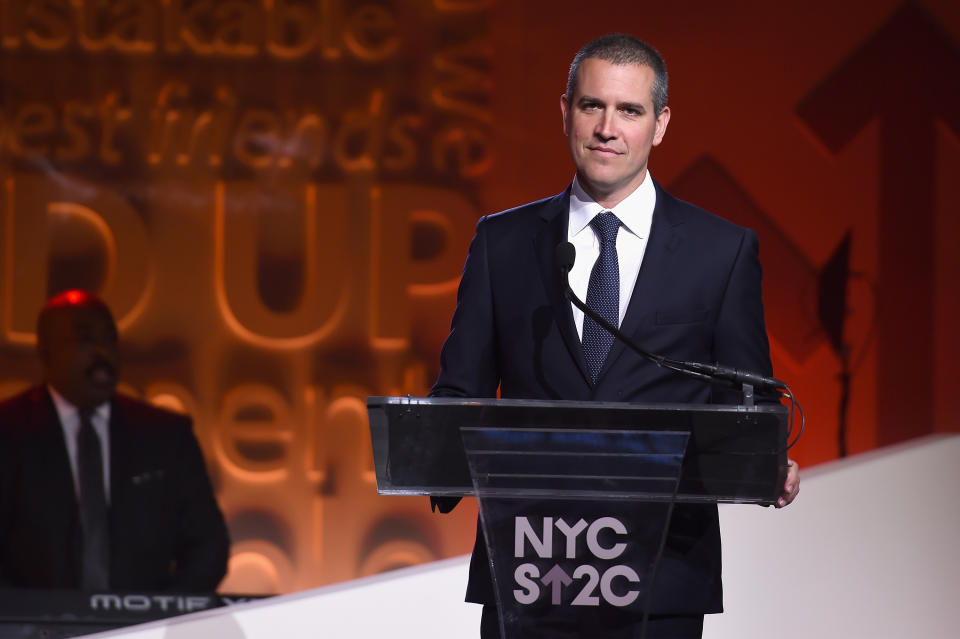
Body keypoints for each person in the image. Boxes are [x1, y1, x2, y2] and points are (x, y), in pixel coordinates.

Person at [429, 33, 800, 638]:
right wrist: (425, 454)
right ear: (565, 112)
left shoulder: (721, 251)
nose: (607, 127)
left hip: (663, 577)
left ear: (659, 124)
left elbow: (747, 401)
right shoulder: (503, 244)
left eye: (629, 110)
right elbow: (457, 394)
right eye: (591, 106)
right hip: (529, 567)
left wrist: (763, 459)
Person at [0, 290, 230, 591]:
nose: (102, 353)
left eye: (109, 339)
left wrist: (158, 621)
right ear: (46, 354)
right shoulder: (9, 432)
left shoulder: (165, 436)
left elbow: (208, 546)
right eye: (84, 340)